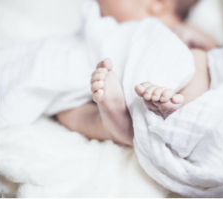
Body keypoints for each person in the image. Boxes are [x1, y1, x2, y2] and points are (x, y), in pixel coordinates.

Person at [57, 0, 213, 145]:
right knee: (64, 106)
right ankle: (114, 126)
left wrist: (208, 44)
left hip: (173, 86)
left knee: (199, 59)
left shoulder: (180, 30)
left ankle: (181, 112)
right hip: (112, 90)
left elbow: (221, 60)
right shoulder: (104, 31)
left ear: (159, 3)